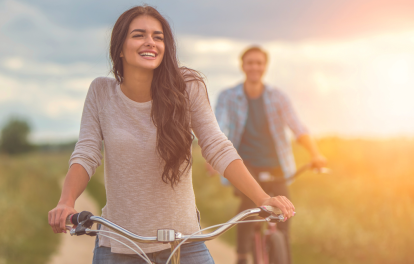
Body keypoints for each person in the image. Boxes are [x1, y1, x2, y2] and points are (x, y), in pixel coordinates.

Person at [47, 6, 296, 264]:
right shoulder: (101, 92)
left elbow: (216, 145)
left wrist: (263, 198)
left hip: (184, 242)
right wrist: (66, 202)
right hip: (119, 246)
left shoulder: (187, 88)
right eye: (139, 35)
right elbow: (86, 152)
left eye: (158, 36)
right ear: (119, 48)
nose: (150, 42)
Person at [211, 46, 327, 264]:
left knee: (285, 212)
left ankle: (283, 255)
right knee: (249, 204)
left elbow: (297, 128)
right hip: (245, 165)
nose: (255, 67)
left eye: (259, 63)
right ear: (243, 66)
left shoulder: (277, 97)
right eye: (250, 63)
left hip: (276, 166)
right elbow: (218, 127)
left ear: (265, 66)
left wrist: (315, 153)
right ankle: (242, 255)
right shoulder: (228, 97)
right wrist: (212, 158)